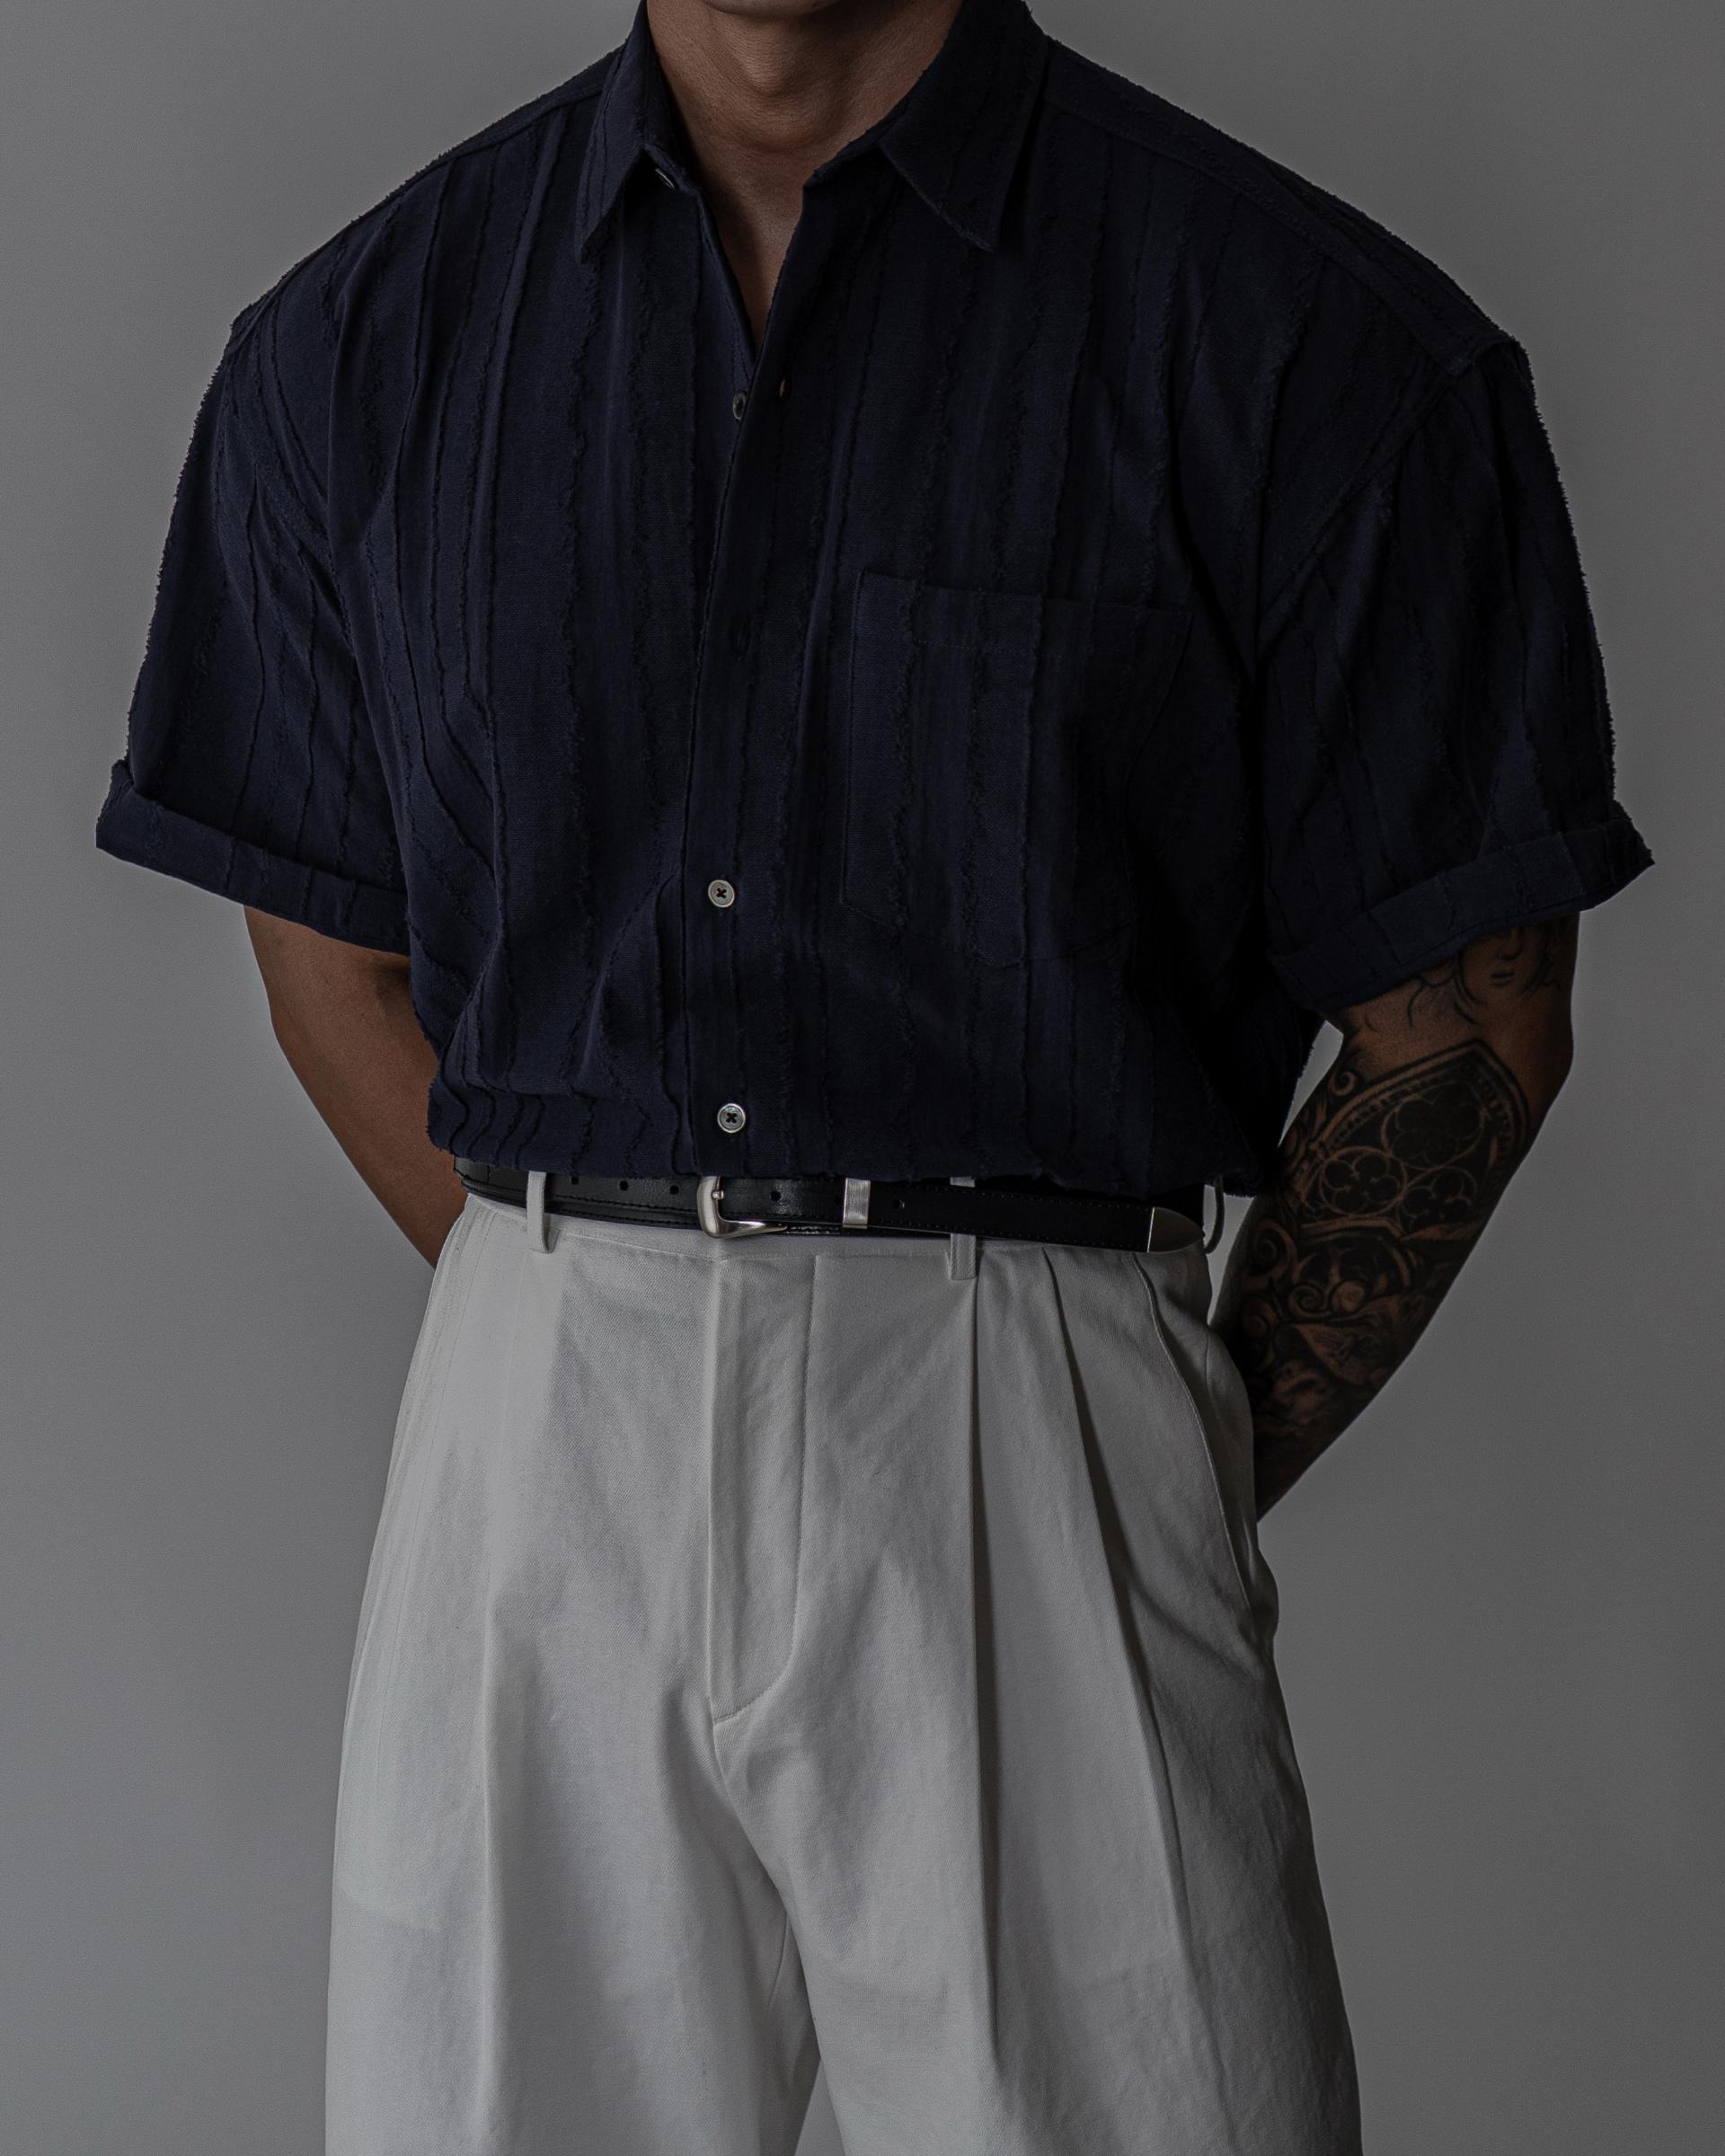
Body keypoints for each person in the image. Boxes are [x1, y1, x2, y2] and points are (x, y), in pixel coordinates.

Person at [93, 0, 1654, 2148]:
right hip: (539, 1425)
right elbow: (330, 949)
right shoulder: (362, 345)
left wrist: (1142, 1445)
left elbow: (1467, 1012)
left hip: (1037, 1393)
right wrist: (609, 1341)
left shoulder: (1308, 342)